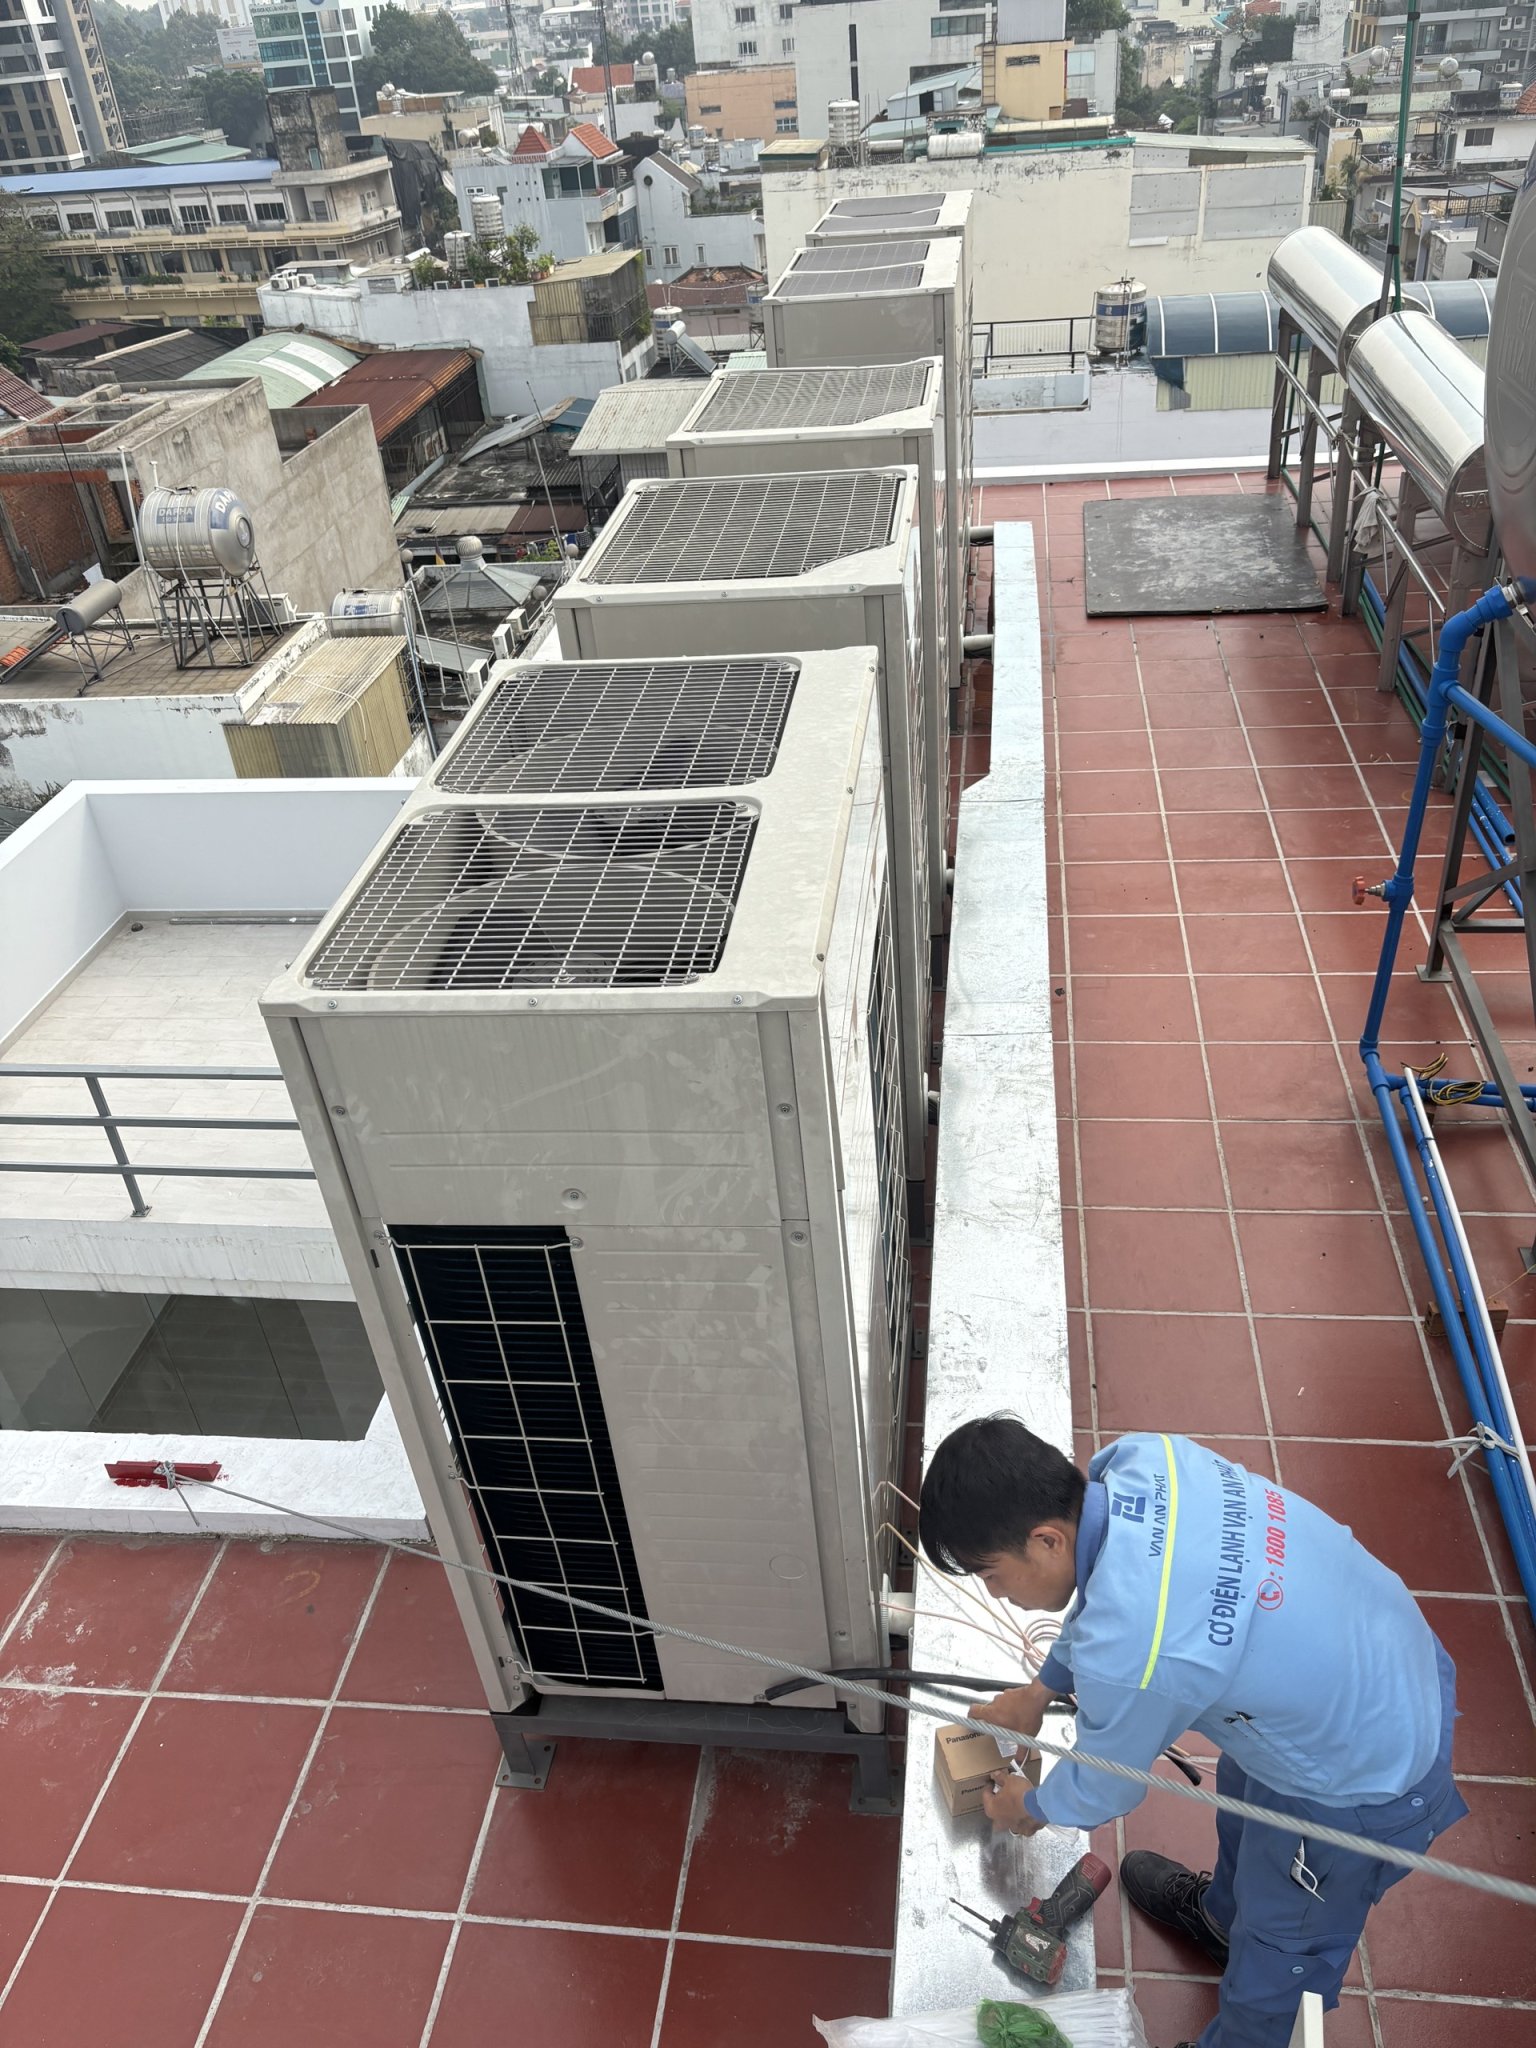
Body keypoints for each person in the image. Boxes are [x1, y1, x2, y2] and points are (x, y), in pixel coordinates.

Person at [918, 1418, 1466, 2048]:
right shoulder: (1141, 1462)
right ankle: (1223, 1921)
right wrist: (1041, 1691)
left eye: (992, 1574)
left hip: (1367, 1772)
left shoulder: (1132, 1648)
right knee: (1244, 1799)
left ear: (1045, 1540)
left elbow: (1105, 1785)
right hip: (1374, 1654)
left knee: (1282, 1957)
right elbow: (1105, 1589)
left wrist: (1032, 1805)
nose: (996, 1594)